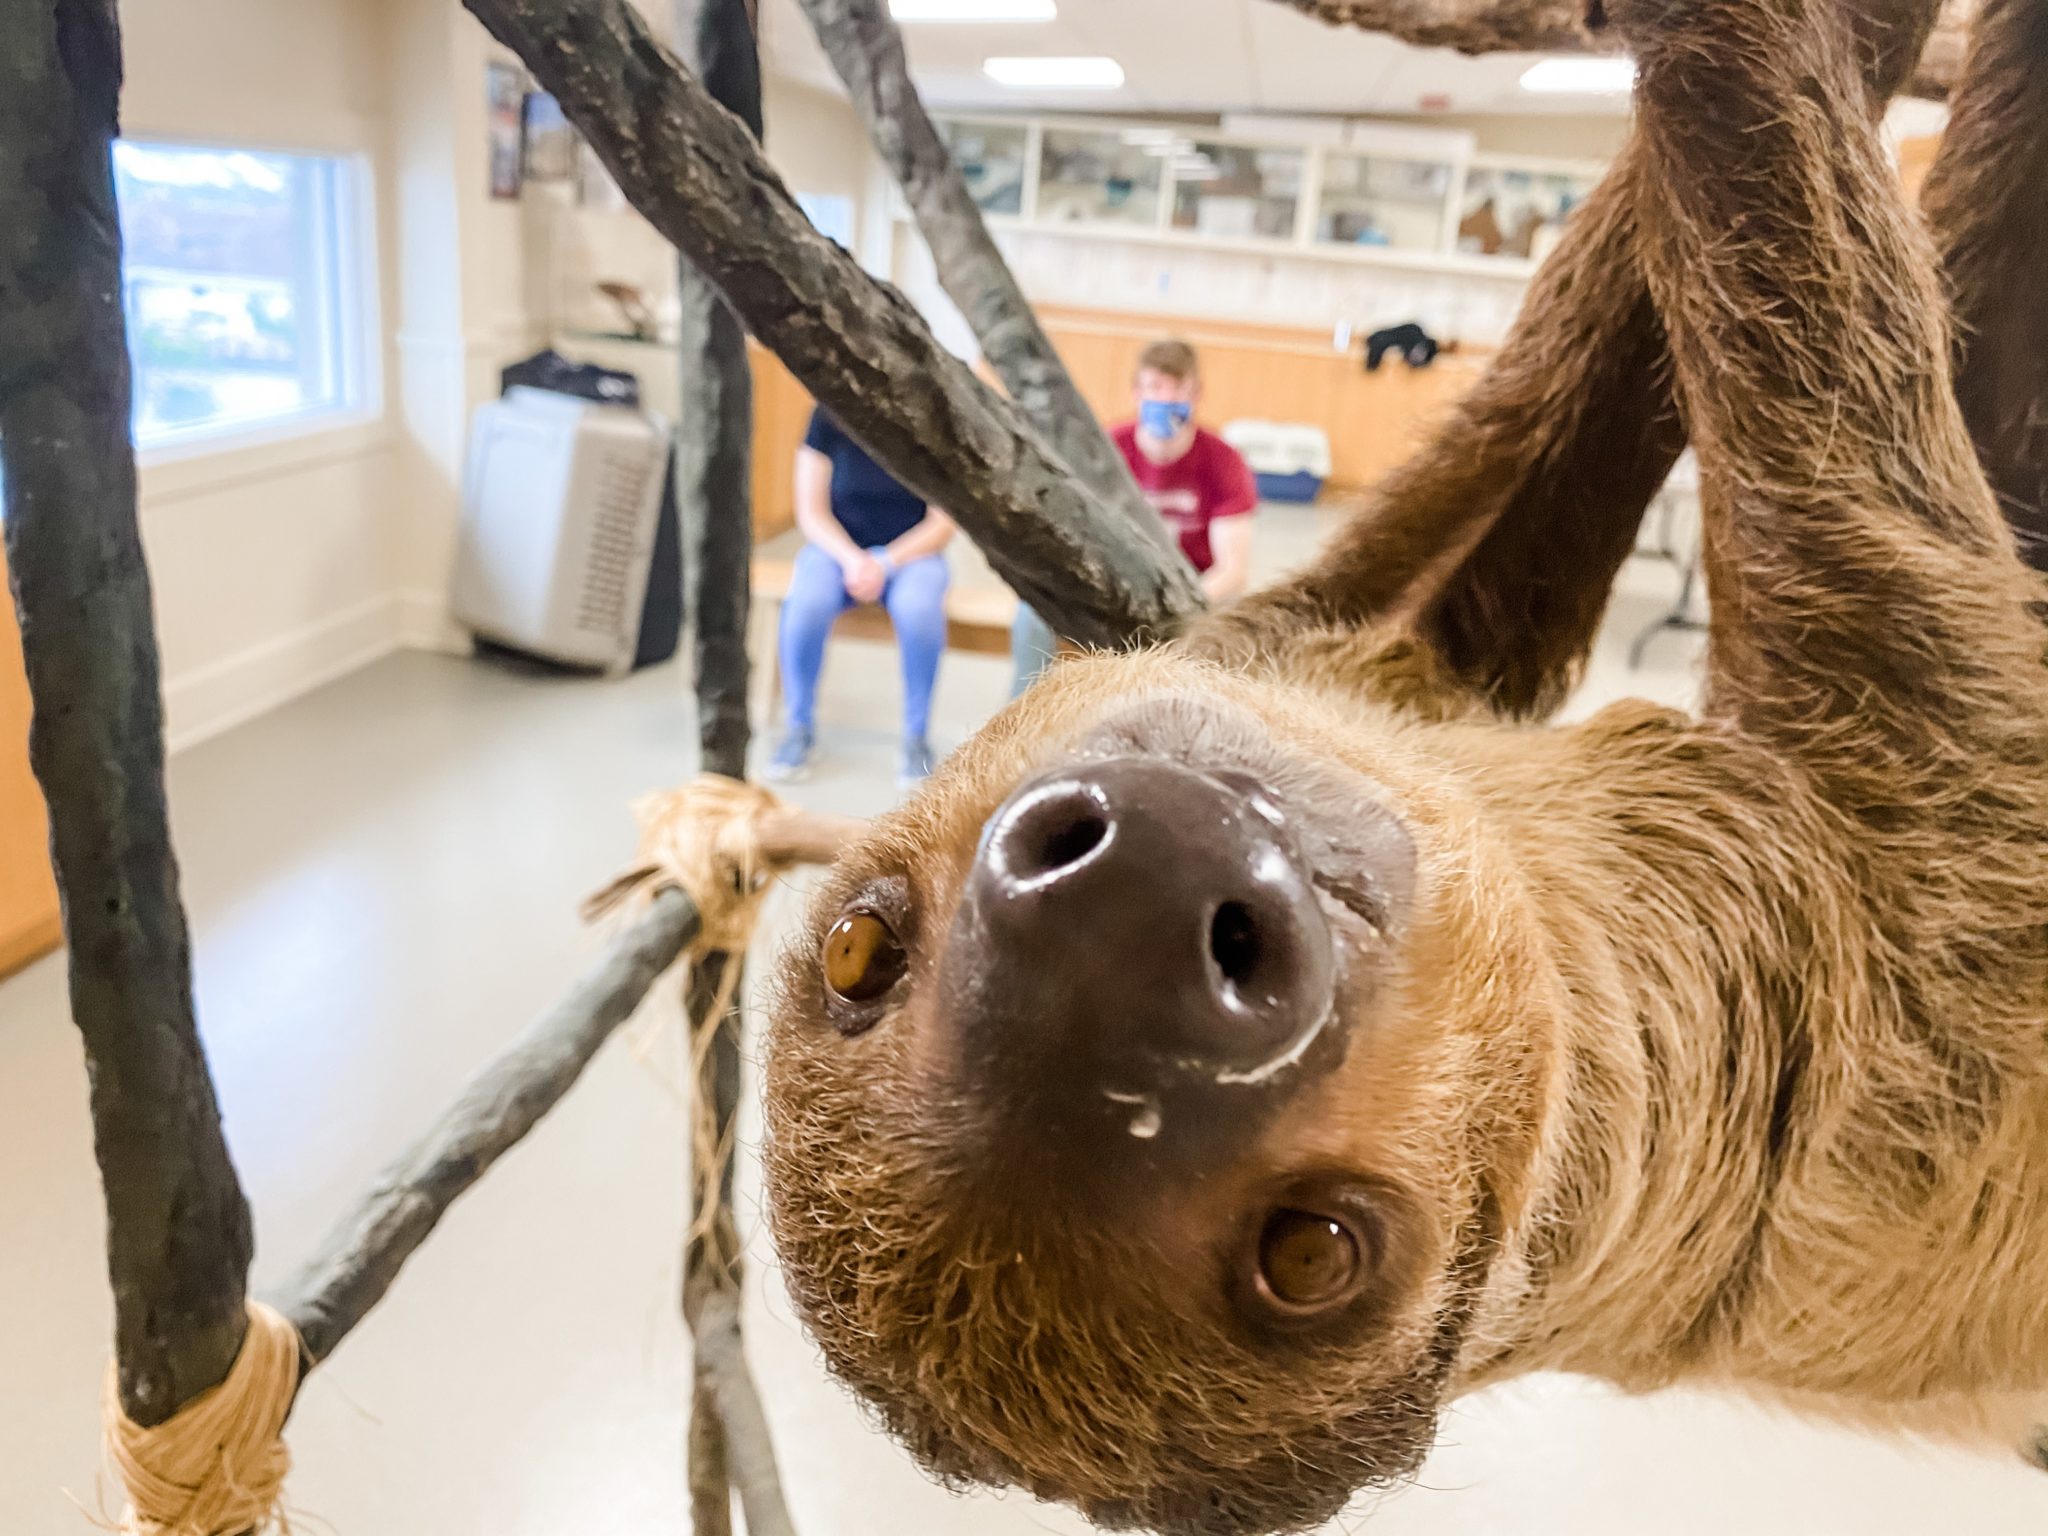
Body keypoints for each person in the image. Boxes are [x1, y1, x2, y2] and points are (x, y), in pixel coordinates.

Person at [1010, 338, 1258, 694]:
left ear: (1196, 394)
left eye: (1178, 390)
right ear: (1136, 393)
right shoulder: (1106, 451)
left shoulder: (1224, 462)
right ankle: (1019, 719)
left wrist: (1179, 609)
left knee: (1226, 634)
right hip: (1114, 582)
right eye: (1156, 388)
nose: (1167, 400)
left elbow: (1231, 570)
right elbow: (1076, 537)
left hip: (1194, 590)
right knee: (1032, 616)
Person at [768, 407, 956, 787]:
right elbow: (811, 511)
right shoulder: (828, 417)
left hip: (912, 554)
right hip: (838, 550)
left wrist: (885, 562)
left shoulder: (933, 421)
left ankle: (916, 737)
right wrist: (853, 560)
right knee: (806, 603)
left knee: (919, 610)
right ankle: (798, 727)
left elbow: (942, 523)